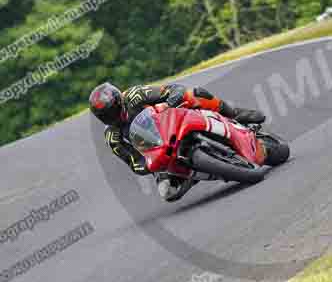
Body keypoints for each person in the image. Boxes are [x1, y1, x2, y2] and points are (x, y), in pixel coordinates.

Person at [89, 81, 265, 202]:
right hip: (159, 154)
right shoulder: (112, 137)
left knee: (193, 94)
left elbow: (173, 90)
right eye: (106, 115)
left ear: (120, 101)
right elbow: (134, 162)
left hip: (171, 121)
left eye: (113, 110)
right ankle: (192, 175)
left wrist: (171, 102)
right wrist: (149, 165)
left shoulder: (135, 95)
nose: (112, 117)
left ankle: (233, 113)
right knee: (167, 193)